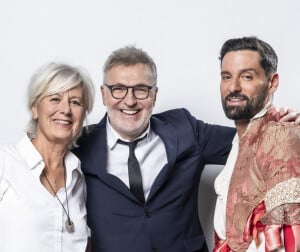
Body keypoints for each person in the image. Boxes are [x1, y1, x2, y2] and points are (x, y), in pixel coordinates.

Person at [74, 46, 299, 252]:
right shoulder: (80, 144)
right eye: (118, 89)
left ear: (154, 95)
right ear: (104, 94)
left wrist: (281, 126)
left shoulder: (184, 129)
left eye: (141, 90)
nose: (130, 101)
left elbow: (250, 141)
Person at [213, 37, 300, 252]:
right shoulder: (241, 137)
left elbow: (288, 238)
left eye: (247, 77)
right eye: (226, 76)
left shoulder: (279, 136)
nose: (233, 87)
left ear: (272, 82)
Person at [0, 62, 94, 252]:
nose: (66, 110)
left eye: (75, 102)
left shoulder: (79, 179)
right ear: (35, 108)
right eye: (55, 99)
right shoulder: (5, 162)